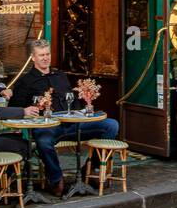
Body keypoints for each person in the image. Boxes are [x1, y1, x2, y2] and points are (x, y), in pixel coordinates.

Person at [8, 40, 118, 197]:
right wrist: (28, 110)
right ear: (33, 57)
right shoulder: (25, 81)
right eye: (41, 55)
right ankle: (56, 178)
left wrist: (83, 108)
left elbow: (73, 100)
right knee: (44, 141)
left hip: (72, 124)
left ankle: (90, 167)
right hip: (48, 127)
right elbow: (15, 107)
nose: (45, 58)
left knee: (111, 125)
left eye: (47, 54)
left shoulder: (60, 76)